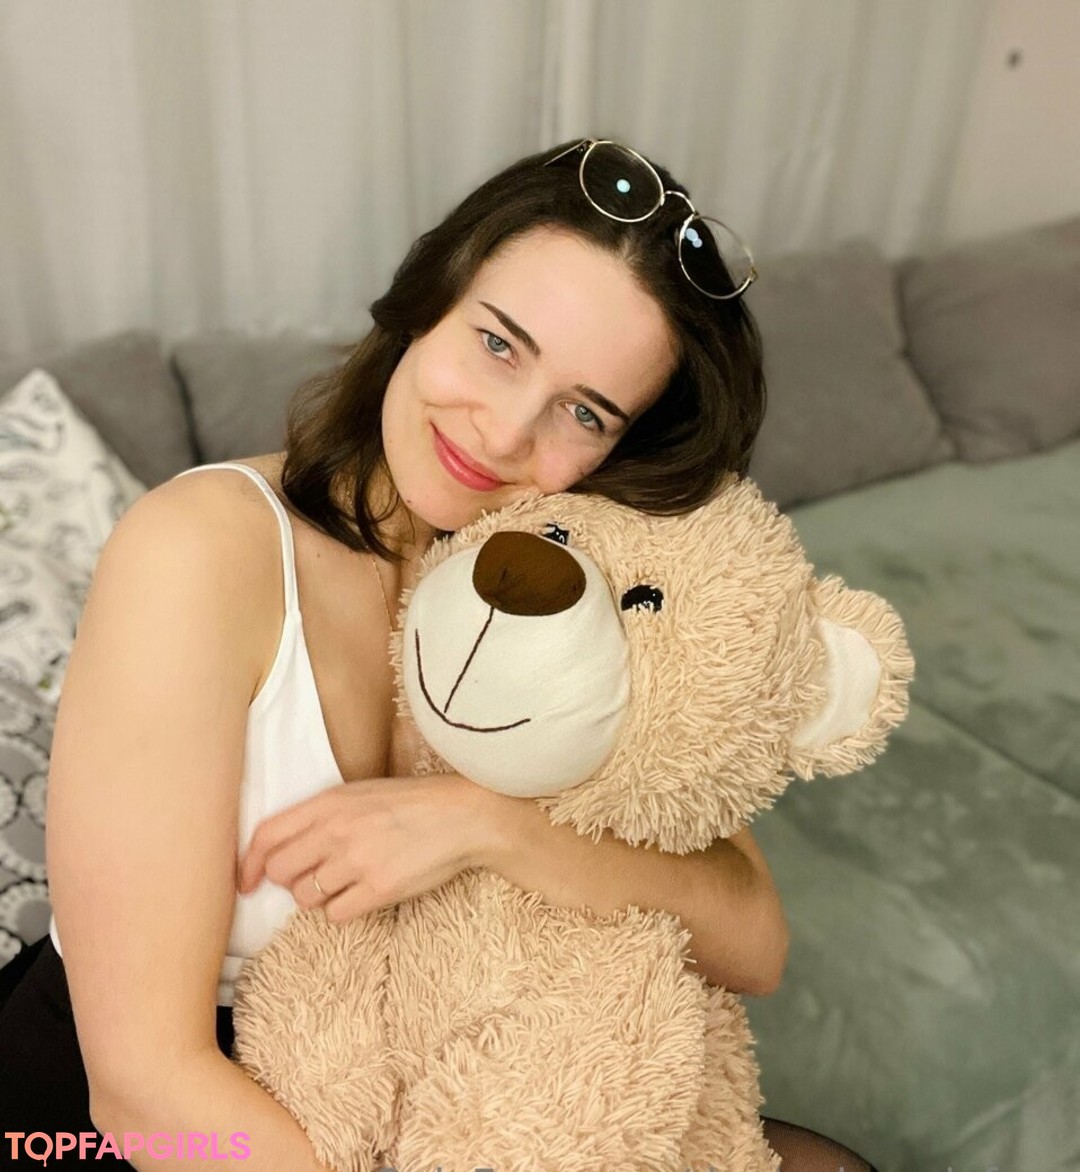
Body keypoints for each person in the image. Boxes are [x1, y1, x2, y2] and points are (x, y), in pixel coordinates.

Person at [0, 138, 876, 1171]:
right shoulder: (196, 551)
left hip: (419, 1087)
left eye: (583, 411)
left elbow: (754, 937)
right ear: (427, 301)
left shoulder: (579, 567)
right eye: (499, 344)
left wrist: (485, 824)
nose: (503, 434)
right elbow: (141, 1088)